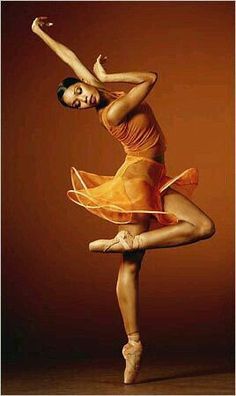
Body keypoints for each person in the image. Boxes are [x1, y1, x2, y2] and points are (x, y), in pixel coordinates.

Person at [32, 17, 216, 385]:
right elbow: (150, 77)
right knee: (131, 264)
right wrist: (109, 75)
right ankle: (133, 342)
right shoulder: (112, 110)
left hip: (153, 177)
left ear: (83, 84)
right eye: (76, 104)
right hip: (138, 177)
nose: (82, 100)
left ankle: (132, 341)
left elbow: (70, 60)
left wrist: (39, 33)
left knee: (202, 227)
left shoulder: (97, 90)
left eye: (79, 92)